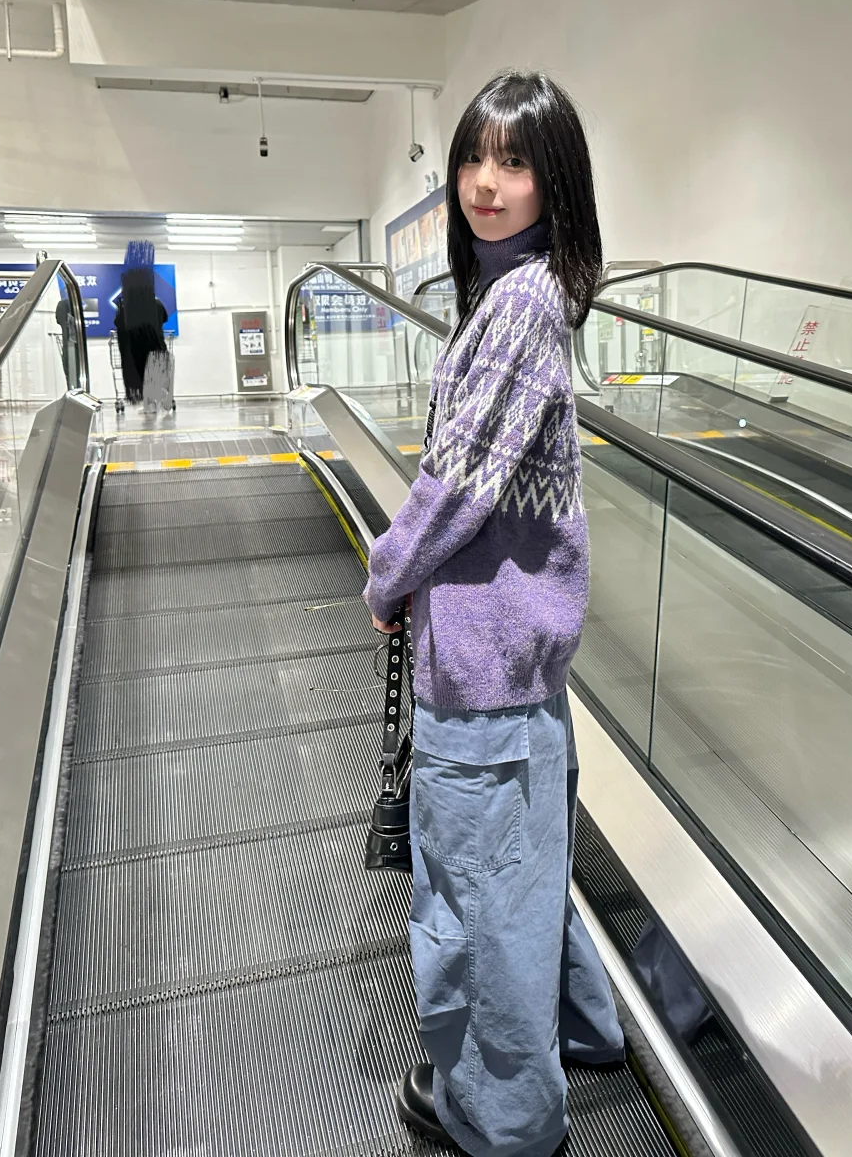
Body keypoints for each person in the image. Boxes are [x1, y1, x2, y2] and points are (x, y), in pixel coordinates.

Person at [364, 71, 624, 1157]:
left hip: (482, 671)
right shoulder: (529, 293)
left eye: (514, 162)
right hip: (518, 666)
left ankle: (506, 1119)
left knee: (475, 903)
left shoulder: (516, 308)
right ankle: (584, 1028)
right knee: (524, 872)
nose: (484, 182)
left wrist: (386, 577)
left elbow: (458, 486)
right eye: (474, 157)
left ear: (556, 182)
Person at [113, 240, 169, 406]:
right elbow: (164, 319)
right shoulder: (156, 304)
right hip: (155, 347)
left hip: (134, 350)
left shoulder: (126, 307)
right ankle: (154, 398)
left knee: (140, 372)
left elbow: (118, 324)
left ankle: (148, 400)